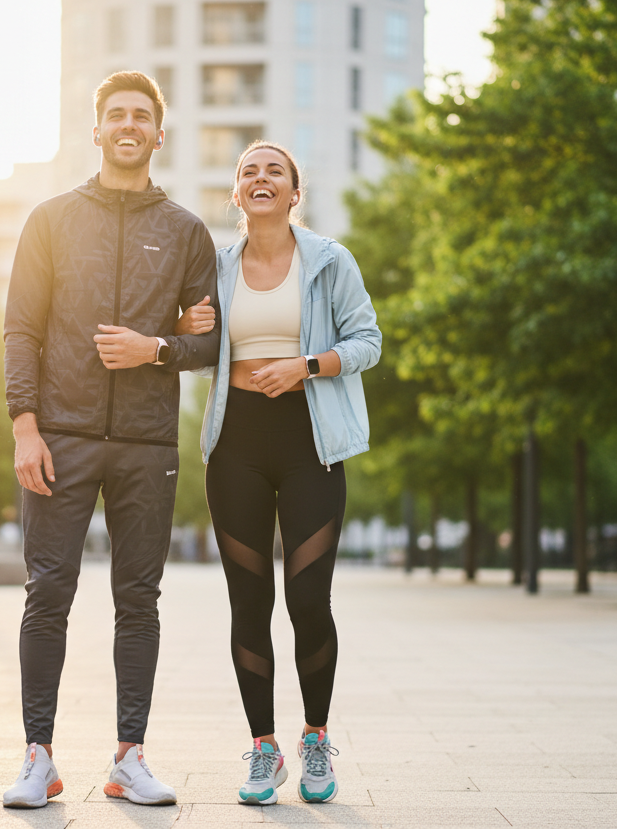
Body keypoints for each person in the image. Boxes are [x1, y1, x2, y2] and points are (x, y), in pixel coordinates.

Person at [0, 71, 220, 809]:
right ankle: (38, 757)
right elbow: (21, 330)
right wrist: (25, 427)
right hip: (59, 436)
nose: (129, 125)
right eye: (116, 114)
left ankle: (130, 758)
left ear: (159, 135)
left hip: (148, 442)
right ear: (96, 130)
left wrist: (154, 348)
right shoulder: (51, 220)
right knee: (47, 592)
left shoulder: (187, 232)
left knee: (139, 600)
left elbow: (210, 344)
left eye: (142, 116)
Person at [174, 141, 381, 805]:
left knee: (308, 599)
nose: (260, 178)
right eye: (248, 172)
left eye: (275, 171)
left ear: (295, 193)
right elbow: (195, 343)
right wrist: (186, 323)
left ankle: (315, 736)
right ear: (236, 194)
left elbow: (368, 341)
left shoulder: (329, 261)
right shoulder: (215, 266)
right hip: (235, 444)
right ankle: (264, 749)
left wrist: (305, 366)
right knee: (248, 601)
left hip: (309, 441)